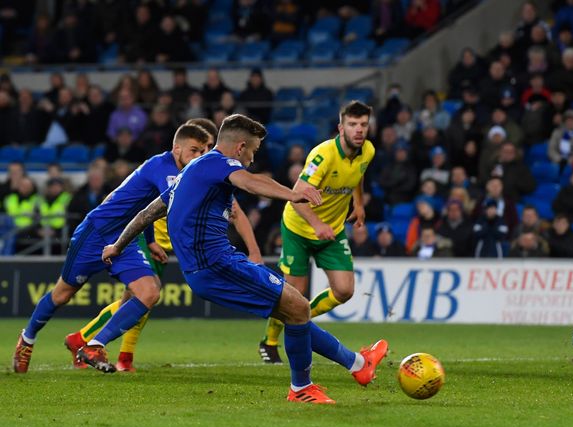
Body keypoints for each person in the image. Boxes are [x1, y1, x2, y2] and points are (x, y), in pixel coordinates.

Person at [102, 114, 387, 404]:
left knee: (293, 312)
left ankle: (359, 365)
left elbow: (147, 213)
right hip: (217, 265)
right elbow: (250, 183)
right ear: (240, 148)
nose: (253, 156)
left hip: (208, 268)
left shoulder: (190, 171)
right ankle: (302, 389)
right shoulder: (219, 164)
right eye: (253, 150)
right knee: (299, 308)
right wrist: (292, 194)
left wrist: (117, 245)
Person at [62, 119, 262, 372]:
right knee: (145, 295)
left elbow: (236, 212)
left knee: (138, 300)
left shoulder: (213, 174)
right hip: (148, 240)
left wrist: (254, 250)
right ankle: (107, 350)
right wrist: (151, 240)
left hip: (168, 245)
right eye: (201, 148)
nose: (205, 153)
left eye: (208, 147)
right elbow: (145, 207)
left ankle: (100, 346)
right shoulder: (178, 171)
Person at [12, 123, 211, 374]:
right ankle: (27, 339)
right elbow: (174, 204)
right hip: (95, 233)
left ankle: (93, 345)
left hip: (125, 239)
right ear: (176, 148)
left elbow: (148, 208)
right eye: (194, 150)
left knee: (149, 292)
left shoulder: (178, 171)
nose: (199, 157)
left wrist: (149, 240)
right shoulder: (162, 168)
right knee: (63, 294)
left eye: (204, 151)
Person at [259, 101, 375, 364]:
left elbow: (358, 175)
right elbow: (296, 197)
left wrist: (359, 204)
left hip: (331, 232)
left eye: (363, 124)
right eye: (353, 124)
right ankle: (270, 341)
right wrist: (317, 225)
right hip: (299, 228)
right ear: (340, 127)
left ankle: (298, 320)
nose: (359, 130)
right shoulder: (322, 155)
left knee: (344, 291)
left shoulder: (367, 150)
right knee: (293, 295)